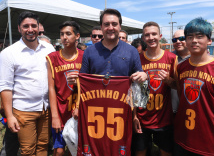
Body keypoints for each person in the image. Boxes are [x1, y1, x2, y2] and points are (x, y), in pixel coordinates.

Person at [79, 8, 147, 156]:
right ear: (101, 27)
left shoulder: (131, 51)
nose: (110, 27)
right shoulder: (90, 52)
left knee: (120, 148)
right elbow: (82, 82)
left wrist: (144, 76)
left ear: (120, 26)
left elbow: (137, 86)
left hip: (122, 112)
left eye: (114, 24)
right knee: (96, 148)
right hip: (95, 112)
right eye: (106, 24)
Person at [0, 11, 55, 156]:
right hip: (24, 110)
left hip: (46, 108)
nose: (30, 29)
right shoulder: (9, 53)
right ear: (19, 28)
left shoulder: (49, 49)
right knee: (28, 150)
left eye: (33, 26)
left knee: (43, 147)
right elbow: (5, 87)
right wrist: (10, 116)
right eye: (26, 26)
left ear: (38, 27)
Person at [174, 17, 214, 156]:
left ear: (209, 40)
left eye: (199, 36)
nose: (194, 40)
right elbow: (182, 98)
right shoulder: (181, 67)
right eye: (190, 37)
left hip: (211, 142)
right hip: (183, 138)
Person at [133, 21, 177, 156]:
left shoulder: (171, 58)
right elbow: (134, 91)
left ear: (160, 36)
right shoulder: (138, 59)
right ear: (143, 38)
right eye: (147, 35)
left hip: (163, 118)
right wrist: (134, 115)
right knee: (140, 152)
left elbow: (178, 86)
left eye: (154, 34)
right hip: (142, 117)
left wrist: (168, 80)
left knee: (166, 152)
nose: (151, 37)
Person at [46, 21, 83, 156]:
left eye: (68, 33)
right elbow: (51, 88)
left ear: (77, 35)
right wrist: (55, 116)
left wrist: (79, 106)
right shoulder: (53, 58)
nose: (64, 37)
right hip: (61, 110)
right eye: (62, 34)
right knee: (59, 150)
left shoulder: (85, 57)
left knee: (79, 147)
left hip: (79, 111)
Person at [171, 30, 190, 114]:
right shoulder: (169, 58)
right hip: (171, 110)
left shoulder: (197, 58)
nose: (178, 42)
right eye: (174, 40)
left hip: (190, 108)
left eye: (181, 38)